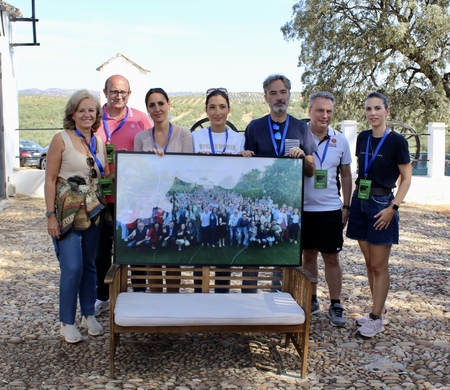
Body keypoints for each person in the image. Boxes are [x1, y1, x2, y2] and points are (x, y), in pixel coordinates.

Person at [45, 90, 110, 343]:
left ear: (96, 115)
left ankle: (88, 314)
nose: (86, 114)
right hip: (66, 211)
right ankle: (67, 321)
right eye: (81, 110)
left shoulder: (99, 142)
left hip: (92, 209)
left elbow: (99, 177)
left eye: (91, 110)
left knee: (90, 264)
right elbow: (50, 180)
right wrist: (50, 215)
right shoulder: (61, 139)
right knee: (72, 266)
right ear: (72, 113)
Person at [346, 92, 412, 337]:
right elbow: (362, 171)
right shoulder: (362, 138)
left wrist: (392, 208)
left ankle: (375, 318)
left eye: (377, 108)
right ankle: (377, 311)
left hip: (381, 203)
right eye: (368, 109)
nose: (372, 113)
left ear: (387, 111)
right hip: (360, 201)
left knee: (378, 264)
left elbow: (406, 179)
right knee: (368, 263)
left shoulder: (397, 142)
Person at [244, 74, 317, 292]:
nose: (279, 97)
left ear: (289, 95)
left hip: (288, 201)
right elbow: (248, 171)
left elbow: (312, 170)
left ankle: (281, 300)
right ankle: (248, 298)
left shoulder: (301, 128)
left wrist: (304, 158)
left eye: (283, 92)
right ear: (265, 97)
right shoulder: (254, 127)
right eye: (273, 93)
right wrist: (245, 159)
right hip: (261, 201)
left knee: (284, 251)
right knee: (253, 249)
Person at [94, 75, 153, 316]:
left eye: (124, 92)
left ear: (130, 94)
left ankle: (138, 294)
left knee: (134, 246)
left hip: (132, 197)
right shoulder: (94, 117)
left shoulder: (141, 119)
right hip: (100, 197)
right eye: (114, 91)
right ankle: (102, 296)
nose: (119, 96)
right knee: (101, 250)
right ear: (105, 92)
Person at [134, 87, 193, 293]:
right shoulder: (141, 138)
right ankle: (156, 301)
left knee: (173, 255)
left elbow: (186, 172)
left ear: (169, 104)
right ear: (147, 109)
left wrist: (161, 163)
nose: (157, 108)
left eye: (161, 103)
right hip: (150, 202)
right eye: (152, 105)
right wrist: (149, 163)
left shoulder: (185, 134)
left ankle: (173, 302)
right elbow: (139, 174)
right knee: (153, 252)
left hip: (172, 202)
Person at [301, 92, 352, 328]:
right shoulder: (299, 136)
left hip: (330, 208)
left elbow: (346, 174)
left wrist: (347, 205)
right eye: (320, 110)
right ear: (310, 110)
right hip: (303, 208)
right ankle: (311, 299)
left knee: (332, 257)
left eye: (329, 111)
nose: (324, 115)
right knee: (308, 255)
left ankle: (336, 303)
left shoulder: (339, 140)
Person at [192, 88, 250, 293]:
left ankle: (222, 295)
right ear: (206, 110)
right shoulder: (195, 137)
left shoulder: (238, 140)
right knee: (201, 256)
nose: (218, 112)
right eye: (212, 107)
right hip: (203, 194)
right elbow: (189, 168)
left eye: (222, 107)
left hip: (226, 193)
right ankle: (200, 295)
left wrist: (245, 159)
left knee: (223, 254)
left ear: (229, 110)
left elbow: (240, 172)